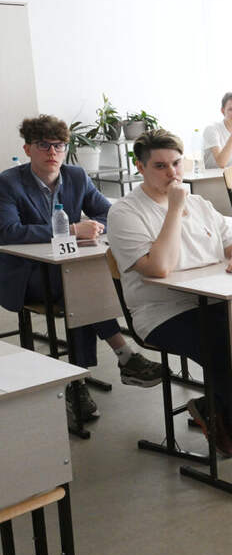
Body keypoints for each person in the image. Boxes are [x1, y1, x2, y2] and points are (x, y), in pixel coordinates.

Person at [108, 129, 232, 455]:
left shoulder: (200, 203)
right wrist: (174, 209)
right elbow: (159, 267)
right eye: (160, 166)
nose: (172, 173)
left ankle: (216, 403)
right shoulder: (125, 212)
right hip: (163, 311)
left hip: (217, 300)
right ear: (140, 167)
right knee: (228, 346)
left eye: (176, 163)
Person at [0, 115, 162, 423]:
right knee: (79, 289)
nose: (52, 152)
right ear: (28, 149)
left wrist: (96, 227)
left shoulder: (75, 176)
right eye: (43, 145)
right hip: (26, 273)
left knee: (82, 287)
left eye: (59, 145)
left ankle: (79, 379)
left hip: (69, 270)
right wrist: (72, 230)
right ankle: (123, 356)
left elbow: (107, 212)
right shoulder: (8, 182)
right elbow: (8, 232)